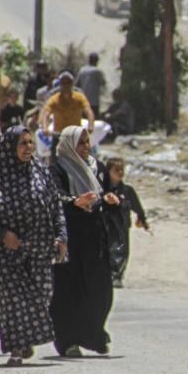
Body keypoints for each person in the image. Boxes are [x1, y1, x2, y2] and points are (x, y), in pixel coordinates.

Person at [0, 127, 66, 366]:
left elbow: (56, 207)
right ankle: (16, 348)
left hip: (40, 250)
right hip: (7, 254)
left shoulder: (41, 172)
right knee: (13, 302)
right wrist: (2, 234)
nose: (28, 148)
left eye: (30, 143)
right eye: (22, 143)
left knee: (41, 296)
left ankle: (26, 341)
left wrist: (61, 236)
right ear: (10, 147)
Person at [50, 126, 119, 357]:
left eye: (88, 142)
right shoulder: (57, 168)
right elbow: (53, 197)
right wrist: (74, 202)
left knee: (100, 290)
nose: (86, 147)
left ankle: (93, 334)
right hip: (70, 236)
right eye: (80, 143)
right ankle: (67, 340)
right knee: (69, 291)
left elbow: (109, 192)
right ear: (69, 145)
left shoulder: (97, 167)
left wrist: (110, 199)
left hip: (94, 237)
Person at [102, 157, 148, 288]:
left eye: (122, 169)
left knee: (122, 251)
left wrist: (142, 219)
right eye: (116, 169)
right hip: (106, 226)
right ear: (108, 171)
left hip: (122, 226)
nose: (120, 172)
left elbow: (137, 207)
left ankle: (116, 276)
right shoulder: (102, 190)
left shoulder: (127, 191)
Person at [77, 53, 107, 118]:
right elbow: (103, 83)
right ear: (96, 61)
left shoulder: (82, 70)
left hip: (83, 100)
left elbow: (77, 84)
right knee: (93, 119)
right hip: (94, 101)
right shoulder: (97, 71)